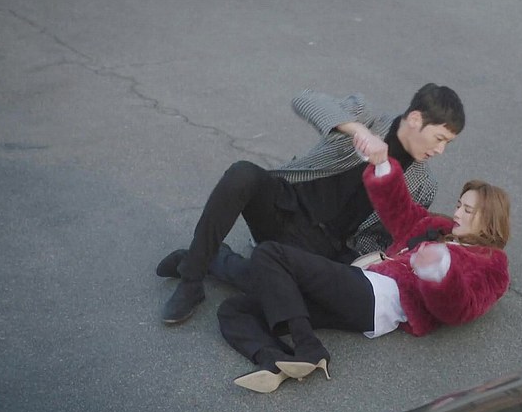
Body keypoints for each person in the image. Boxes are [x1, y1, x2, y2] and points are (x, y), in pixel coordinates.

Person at [156, 84, 465, 324]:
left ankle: (209, 257)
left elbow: (389, 239)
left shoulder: (423, 184)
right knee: (242, 174)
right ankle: (192, 279)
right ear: (415, 119)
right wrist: (357, 131)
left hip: (325, 249)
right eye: (439, 138)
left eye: (447, 143)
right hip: (286, 205)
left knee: (288, 297)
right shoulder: (367, 117)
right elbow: (305, 99)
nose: (440, 150)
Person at [217, 147, 511, 394]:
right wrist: (383, 167)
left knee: (271, 254)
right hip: (362, 289)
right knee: (234, 309)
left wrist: (439, 273)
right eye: (459, 205)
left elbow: (461, 308)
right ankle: (272, 359)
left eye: (468, 210)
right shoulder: (439, 228)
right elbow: (401, 212)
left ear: (489, 219)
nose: (457, 213)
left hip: (380, 295)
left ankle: (308, 347)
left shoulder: (491, 262)